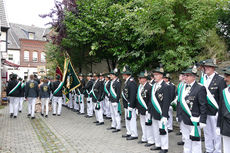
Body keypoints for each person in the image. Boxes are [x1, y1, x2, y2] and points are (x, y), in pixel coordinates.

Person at [179, 66, 207, 153]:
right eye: (185, 75)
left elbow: (203, 105)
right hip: (184, 118)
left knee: (195, 142)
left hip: (194, 119)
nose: (185, 77)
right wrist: (178, 115)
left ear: (194, 77)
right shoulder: (183, 87)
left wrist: (203, 119)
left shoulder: (200, 88)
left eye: (188, 75)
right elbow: (180, 103)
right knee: (186, 140)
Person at [201, 59, 226, 153]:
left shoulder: (220, 79)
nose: (205, 68)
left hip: (215, 111)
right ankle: (209, 149)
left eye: (208, 66)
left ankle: (217, 150)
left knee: (216, 134)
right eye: (205, 67)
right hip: (205, 111)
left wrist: (220, 112)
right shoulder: (203, 79)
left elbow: (222, 98)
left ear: (213, 68)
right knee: (207, 132)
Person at [149, 67, 171, 153]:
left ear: (161, 76)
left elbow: (166, 102)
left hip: (161, 112)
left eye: (156, 75)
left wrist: (165, 115)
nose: (155, 76)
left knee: (163, 130)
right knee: (155, 129)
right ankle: (158, 144)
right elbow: (151, 99)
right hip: (154, 111)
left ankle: (164, 147)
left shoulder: (165, 86)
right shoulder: (154, 85)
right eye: (154, 75)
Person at [136, 71, 154, 146]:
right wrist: (137, 108)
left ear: (145, 79)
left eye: (140, 78)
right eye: (139, 78)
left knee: (149, 125)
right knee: (143, 124)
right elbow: (137, 98)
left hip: (147, 110)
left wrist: (148, 110)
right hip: (141, 109)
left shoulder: (149, 87)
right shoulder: (140, 86)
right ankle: (144, 138)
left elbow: (150, 100)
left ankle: (151, 140)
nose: (139, 79)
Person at [120, 65, 138, 140]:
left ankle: (134, 134)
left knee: (132, 119)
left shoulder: (132, 82)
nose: (122, 75)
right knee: (127, 119)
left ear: (126, 74)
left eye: (123, 74)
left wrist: (131, 105)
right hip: (126, 104)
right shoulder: (127, 81)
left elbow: (133, 95)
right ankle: (129, 132)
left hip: (130, 104)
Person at [217, 66, 230, 153]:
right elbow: (220, 109)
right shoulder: (224, 91)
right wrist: (218, 125)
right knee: (226, 147)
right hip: (226, 124)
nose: (225, 79)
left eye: (227, 76)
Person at [109, 68, 121, 132]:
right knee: (112, 113)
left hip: (115, 101)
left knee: (116, 114)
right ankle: (113, 125)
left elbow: (118, 93)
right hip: (111, 100)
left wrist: (116, 101)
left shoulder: (117, 82)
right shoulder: (112, 81)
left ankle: (118, 127)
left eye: (111, 75)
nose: (110, 76)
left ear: (114, 75)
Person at [176, 72, 186, 146]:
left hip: (185, 106)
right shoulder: (180, 85)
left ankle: (186, 139)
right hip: (179, 105)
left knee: (185, 124)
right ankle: (183, 139)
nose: (179, 76)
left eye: (180, 75)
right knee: (182, 124)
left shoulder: (186, 85)